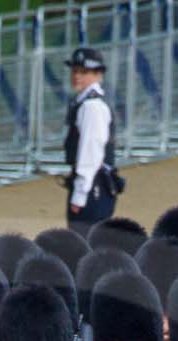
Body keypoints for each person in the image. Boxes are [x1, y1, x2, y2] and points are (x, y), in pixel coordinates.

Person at [63, 46, 118, 228]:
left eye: (84, 72)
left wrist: (79, 194)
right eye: (75, 70)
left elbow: (90, 152)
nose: (77, 76)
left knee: (84, 246)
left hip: (93, 187)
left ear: (98, 75)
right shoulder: (86, 103)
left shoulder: (91, 107)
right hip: (95, 187)